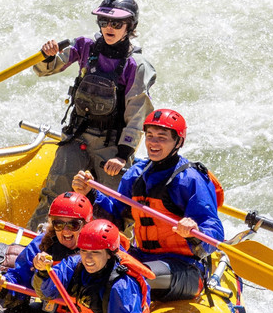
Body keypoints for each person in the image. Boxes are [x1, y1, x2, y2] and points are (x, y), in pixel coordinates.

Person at [26, 0, 156, 229]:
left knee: (112, 207)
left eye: (117, 24)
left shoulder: (137, 66)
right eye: (104, 22)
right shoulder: (86, 46)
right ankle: (35, 242)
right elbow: (45, 70)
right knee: (56, 192)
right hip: (77, 137)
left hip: (111, 147)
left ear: (130, 27)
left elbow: (137, 116)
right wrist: (49, 56)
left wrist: (122, 155)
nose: (109, 27)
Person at [72, 108, 223, 302]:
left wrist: (195, 231)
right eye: (150, 136)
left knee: (125, 277)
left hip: (184, 268)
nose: (153, 142)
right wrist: (90, 194)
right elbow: (115, 217)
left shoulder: (190, 179)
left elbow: (214, 229)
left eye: (162, 137)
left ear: (178, 142)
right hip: (142, 256)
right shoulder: (137, 174)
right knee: (87, 267)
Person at [0, 192, 93, 313]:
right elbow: (19, 277)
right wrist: (1, 286)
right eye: (59, 224)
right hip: (51, 311)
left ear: (86, 225)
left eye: (73, 225)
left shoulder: (97, 250)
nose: (65, 231)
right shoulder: (42, 244)